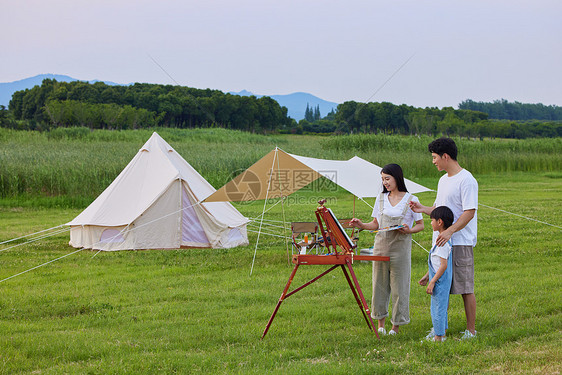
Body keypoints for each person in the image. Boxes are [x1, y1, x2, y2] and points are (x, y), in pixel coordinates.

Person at [410, 137, 478, 340]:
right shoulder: (443, 180)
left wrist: (450, 231)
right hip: (441, 242)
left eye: (434, 157)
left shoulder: (467, 180)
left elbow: (469, 212)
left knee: (465, 287)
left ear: (445, 156)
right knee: (441, 289)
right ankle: (440, 330)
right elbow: (440, 210)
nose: (433, 161)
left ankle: (471, 331)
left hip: (461, 241)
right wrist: (423, 209)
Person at [349, 163, 424, 336]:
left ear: (397, 177)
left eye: (387, 179)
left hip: (400, 248)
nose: (385, 183)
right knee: (379, 285)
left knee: (400, 287)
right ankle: (380, 324)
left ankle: (396, 326)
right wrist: (361, 225)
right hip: (381, 247)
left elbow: (420, 225)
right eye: (382, 179)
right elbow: (375, 224)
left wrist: (409, 230)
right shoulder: (380, 198)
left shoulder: (412, 199)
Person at [419, 206, 454, 342]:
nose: (430, 223)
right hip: (436, 278)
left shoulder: (442, 243)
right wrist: (427, 275)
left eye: (432, 220)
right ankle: (442, 333)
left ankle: (438, 337)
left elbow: (443, 265)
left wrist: (432, 281)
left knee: (438, 309)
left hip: (439, 281)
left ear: (440, 222)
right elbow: (437, 263)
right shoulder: (439, 240)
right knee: (440, 306)